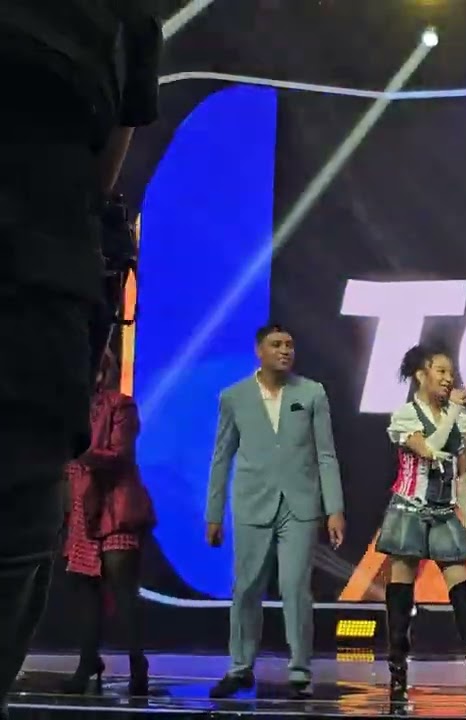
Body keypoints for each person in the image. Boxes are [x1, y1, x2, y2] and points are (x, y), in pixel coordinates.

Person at [0, 1, 160, 709]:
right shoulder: (123, 23)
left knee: (63, 574)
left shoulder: (117, 407)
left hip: (37, 341)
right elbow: (100, 176)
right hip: (40, 315)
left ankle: (120, 670)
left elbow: (112, 454)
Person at [204, 324, 346, 699]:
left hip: (300, 506)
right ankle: (240, 667)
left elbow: (326, 455)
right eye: (276, 344)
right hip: (252, 503)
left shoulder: (312, 392)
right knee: (246, 586)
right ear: (259, 350)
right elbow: (221, 457)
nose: (285, 350)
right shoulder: (234, 397)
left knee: (295, 587)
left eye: (289, 345)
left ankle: (300, 670)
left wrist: (334, 508)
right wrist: (214, 513)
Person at [378, 344, 466, 705]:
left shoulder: (457, 418)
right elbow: (430, 448)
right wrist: (455, 412)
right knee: (401, 600)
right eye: (441, 372)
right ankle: (398, 674)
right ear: (422, 375)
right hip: (409, 511)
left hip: (443, 513)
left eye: (451, 373)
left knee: (463, 592)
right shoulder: (406, 416)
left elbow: (460, 472)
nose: (449, 379)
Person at [61, 351, 155, 696]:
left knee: (123, 591)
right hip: (80, 506)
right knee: (86, 592)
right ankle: (87, 662)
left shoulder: (121, 404)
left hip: (115, 506)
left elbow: (120, 454)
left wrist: (79, 452)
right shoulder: (70, 406)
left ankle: (137, 664)